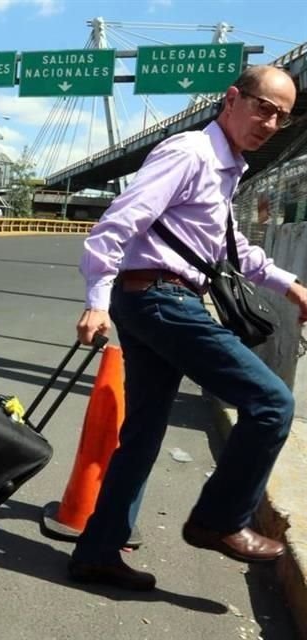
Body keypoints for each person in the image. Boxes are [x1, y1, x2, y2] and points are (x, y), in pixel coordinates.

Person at [70, 65, 306, 591]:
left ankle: (98, 551)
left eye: (283, 118)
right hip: (160, 299)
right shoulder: (189, 154)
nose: (270, 123)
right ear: (231, 99)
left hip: (156, 298)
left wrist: (291, 286)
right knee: (272, 403)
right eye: (263, 107)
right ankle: (219, 521)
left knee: (144, 433)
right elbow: (118, 222)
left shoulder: (225, 167)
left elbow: (227, 249)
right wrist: (95, 301)